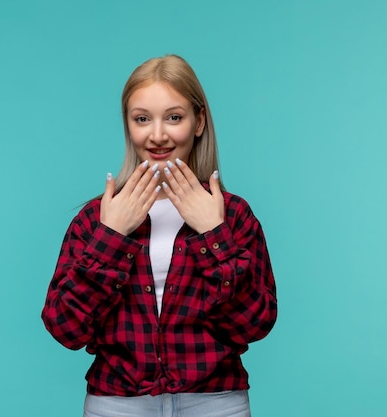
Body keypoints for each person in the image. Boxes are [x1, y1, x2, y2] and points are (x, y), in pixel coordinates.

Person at [41, 54, 277, 417]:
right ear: (128, 126)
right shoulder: (95, 219)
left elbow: (256, 324)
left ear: (198, 122)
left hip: (216, 404)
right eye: (142, 119)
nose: (157, 135)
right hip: (117, 406)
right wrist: (112, 237)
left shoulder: (233, 216)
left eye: (174, 117)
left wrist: (213, 235)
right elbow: (65, 329)